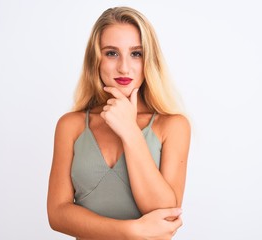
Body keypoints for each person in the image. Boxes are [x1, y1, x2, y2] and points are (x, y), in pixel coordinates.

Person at [47, 6, 191, 240]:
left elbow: (165, 214)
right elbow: (57, 214)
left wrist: (130, 131)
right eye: (112, 53)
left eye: (136, 53)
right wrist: (131, 231)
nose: (124, 67)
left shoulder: (173, 126)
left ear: (149, 59)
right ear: (96, 59)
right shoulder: (71, 126)